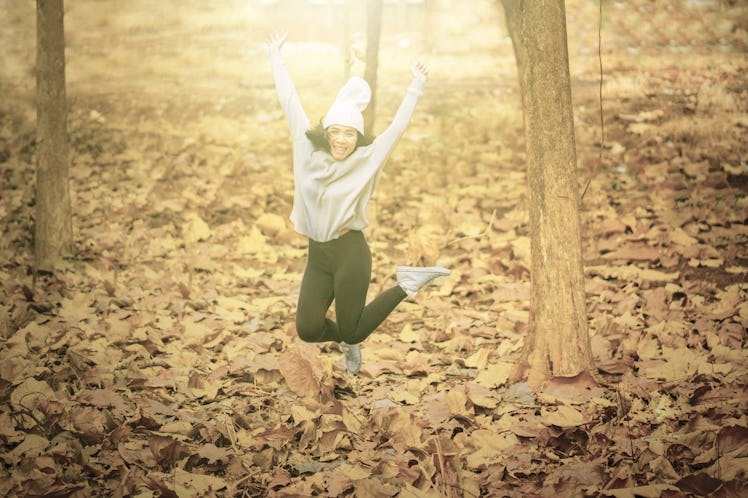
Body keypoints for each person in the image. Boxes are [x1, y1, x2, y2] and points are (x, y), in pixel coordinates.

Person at [264, 32, 450, 375]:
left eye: (350, 134)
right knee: (307, 329)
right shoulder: (306, 148)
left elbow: (396, 129)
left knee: (353, 329)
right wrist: (277, 58)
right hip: (317, 255)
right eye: (336, 131)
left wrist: (415, 86)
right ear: (327, 130)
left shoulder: (367, 158)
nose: (341, 140)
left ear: (358, 137)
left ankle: (407, 284)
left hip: (350, 251)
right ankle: (347, 340)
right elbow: (289, 100)